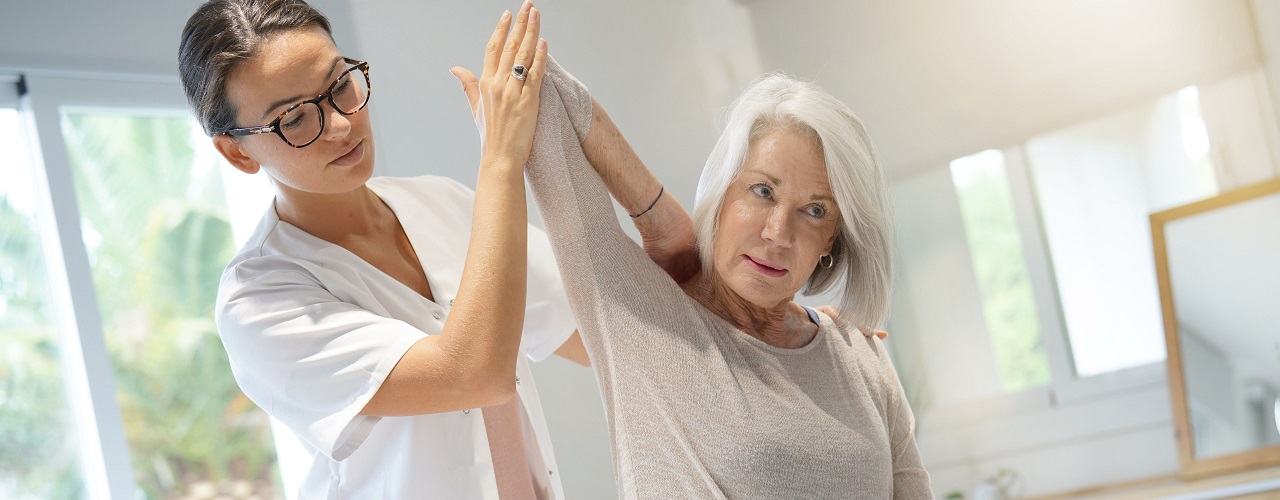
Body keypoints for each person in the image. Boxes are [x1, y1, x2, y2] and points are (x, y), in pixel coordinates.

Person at [457, 51, 933, 496]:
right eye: (762, 191)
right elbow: (543, 91)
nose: (778, 233)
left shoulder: (861, 355)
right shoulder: (645, 322)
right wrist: (662, 218)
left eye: (814, 210)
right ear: (722, 192)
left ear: (832, 239)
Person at [181, 0, 588, 498]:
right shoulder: (259, 302)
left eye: (340, 86)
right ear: (237, 151)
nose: (341, 124)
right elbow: (475, 375)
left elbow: (596, 337)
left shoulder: (444, 203)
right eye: (295, 118)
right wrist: (501, 158)